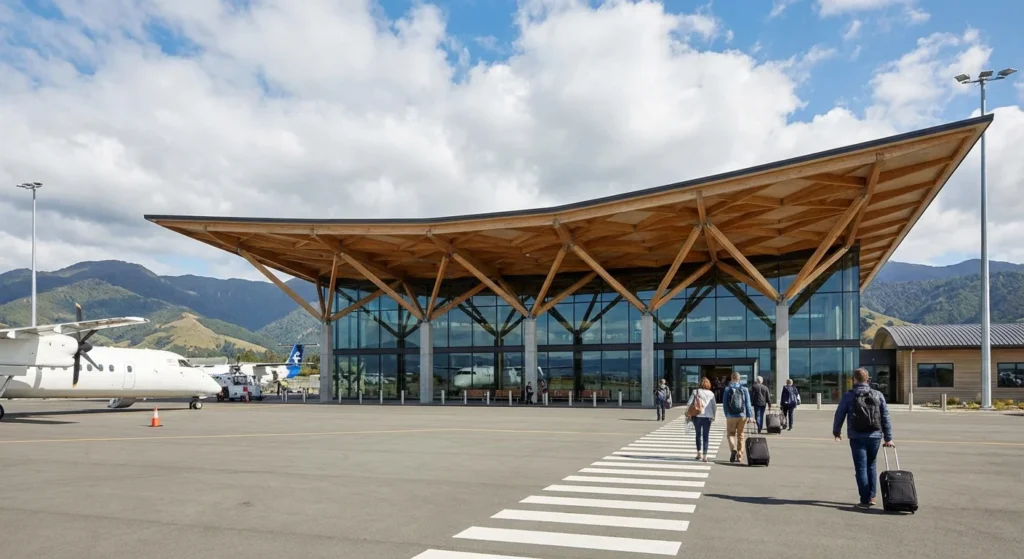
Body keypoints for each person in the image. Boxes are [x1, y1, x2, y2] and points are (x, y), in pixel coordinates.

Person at [833, 368, 895, 509]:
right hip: (875, 435)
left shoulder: (849, 396)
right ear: (868, 379)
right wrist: (888, 438)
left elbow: (839, 415)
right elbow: (885, 417)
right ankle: (872, 496)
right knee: (871, 465)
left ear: (854, 380)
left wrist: (837, 432)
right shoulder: (878, 394)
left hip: (856, 435)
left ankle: (864, 500)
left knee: (861, 467)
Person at [721, 372, 754, 463]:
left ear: (731, 378)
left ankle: (733, 449)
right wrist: (750, 416)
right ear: (739, 379)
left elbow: (724, 404)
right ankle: (740, 455)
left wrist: (727, 414)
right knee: (741, 435)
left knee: (730, 434)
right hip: (742, 415)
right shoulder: (744, 389)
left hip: (731, 416)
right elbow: (748, 403)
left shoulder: (727, 389)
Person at [686, 377, 717, 462]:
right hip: (707, 417)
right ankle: (705, 456)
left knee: (698, 434)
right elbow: (714, 406)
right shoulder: (711, 393)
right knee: (706, 436)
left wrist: (688, 413)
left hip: (697, 415)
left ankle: (699, 452)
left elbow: (689, 403)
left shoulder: (695, 392)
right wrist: (713, 415)